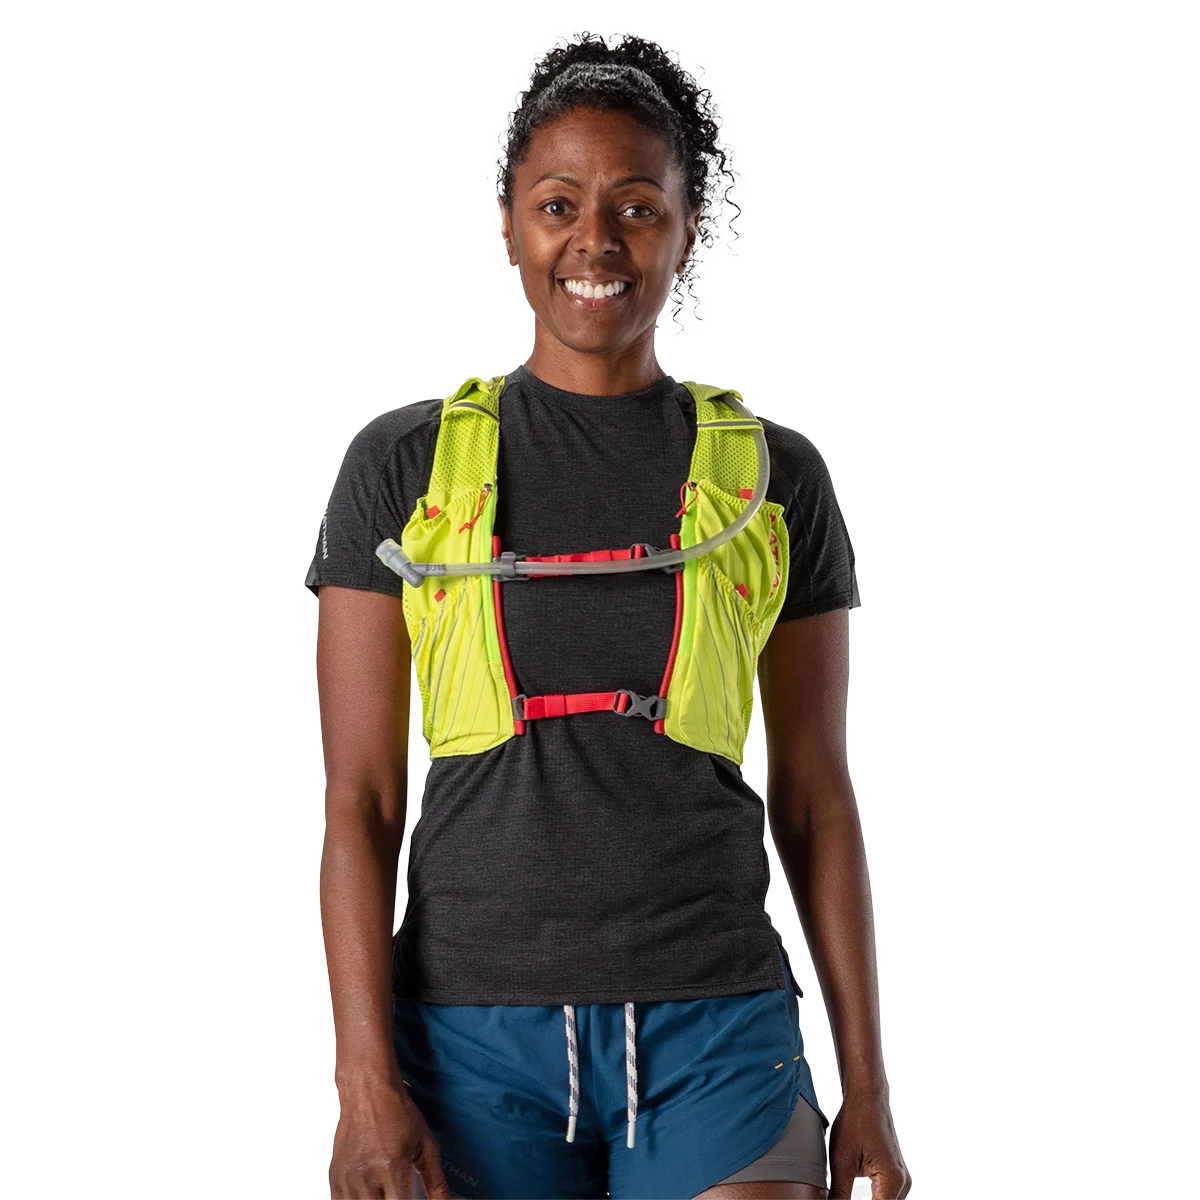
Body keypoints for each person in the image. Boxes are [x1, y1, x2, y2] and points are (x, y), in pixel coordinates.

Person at [309, 28, 907, 1200]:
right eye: (558, 205)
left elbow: (815, 797)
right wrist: (365, 1085)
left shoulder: (775, 479)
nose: (596, 242)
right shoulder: (403, 466)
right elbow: (360, 799)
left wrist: (869, 1092)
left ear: (688, 229)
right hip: (470, 1037)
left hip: (717, 1029)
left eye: (638, 207)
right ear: (507, 221)